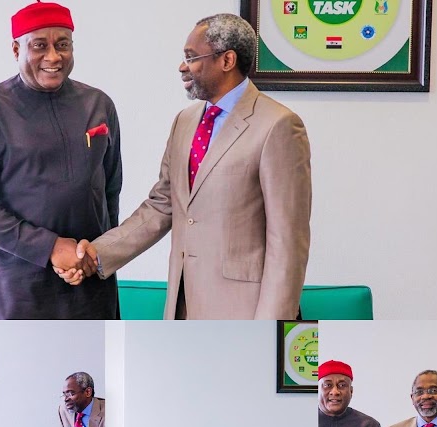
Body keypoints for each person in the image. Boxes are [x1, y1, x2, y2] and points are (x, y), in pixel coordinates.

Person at [57, 13, 312, 320]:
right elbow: (163, 204)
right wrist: (97, 254)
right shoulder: (185, 121)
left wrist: (272, 326)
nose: (182, 66)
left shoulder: (279, 125)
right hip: (183, 306)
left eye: (191, 57)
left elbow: (288, 240)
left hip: (246, 310)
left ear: (227, 60)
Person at [0, 1, 122, 319]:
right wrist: (51, 247)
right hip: (20, 288)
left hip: (91, 282)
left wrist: (95, 255)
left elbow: (110, 190)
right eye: (39, 46)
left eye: (63, 45)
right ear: (16, 49)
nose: (53, 57)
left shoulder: (99, 104)